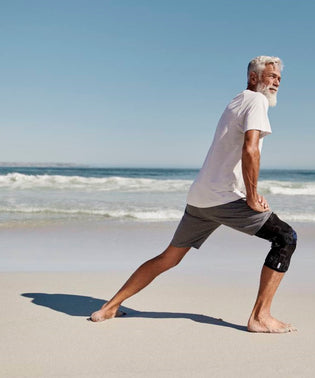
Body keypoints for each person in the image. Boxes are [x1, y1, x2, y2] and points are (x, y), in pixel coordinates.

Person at [90, 56, 297, 333]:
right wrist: (252, 195)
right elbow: (250, 149)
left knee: (169, 258)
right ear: (253, 78)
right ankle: (260, 316)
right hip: (223, 197)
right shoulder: (256, 101)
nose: (277, 82)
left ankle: (109, 307)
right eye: (271, 76)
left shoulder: (236, 101)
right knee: (285, 238)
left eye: (279, 78)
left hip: (200, 197)